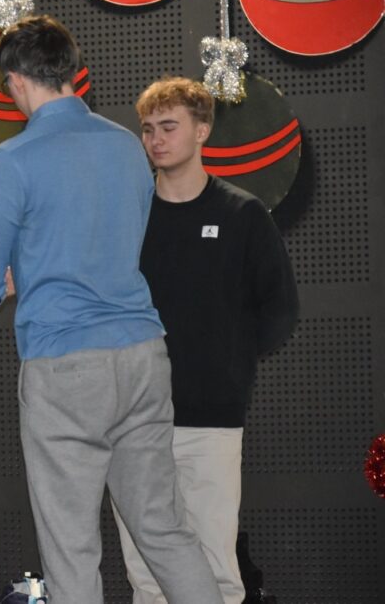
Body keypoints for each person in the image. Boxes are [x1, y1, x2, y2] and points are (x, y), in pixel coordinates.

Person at [0, 15, 222, 603]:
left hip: (64, 364)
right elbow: (114, 240)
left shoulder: (13, 159)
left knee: (71, 546)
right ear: (70, 71)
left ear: (16, 80)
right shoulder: (127, 145)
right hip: (142, 353)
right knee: (164, 529)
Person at [112, 77, 298, 604]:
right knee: (146, 577)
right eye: (148, 129)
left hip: (212, 420)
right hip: (134, 419)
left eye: (168, 127)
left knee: (217, 568)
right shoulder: (127, 217)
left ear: (202, 130)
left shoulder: (241, 214)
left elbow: (280, 308)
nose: (156, 139)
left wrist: (227, 363)